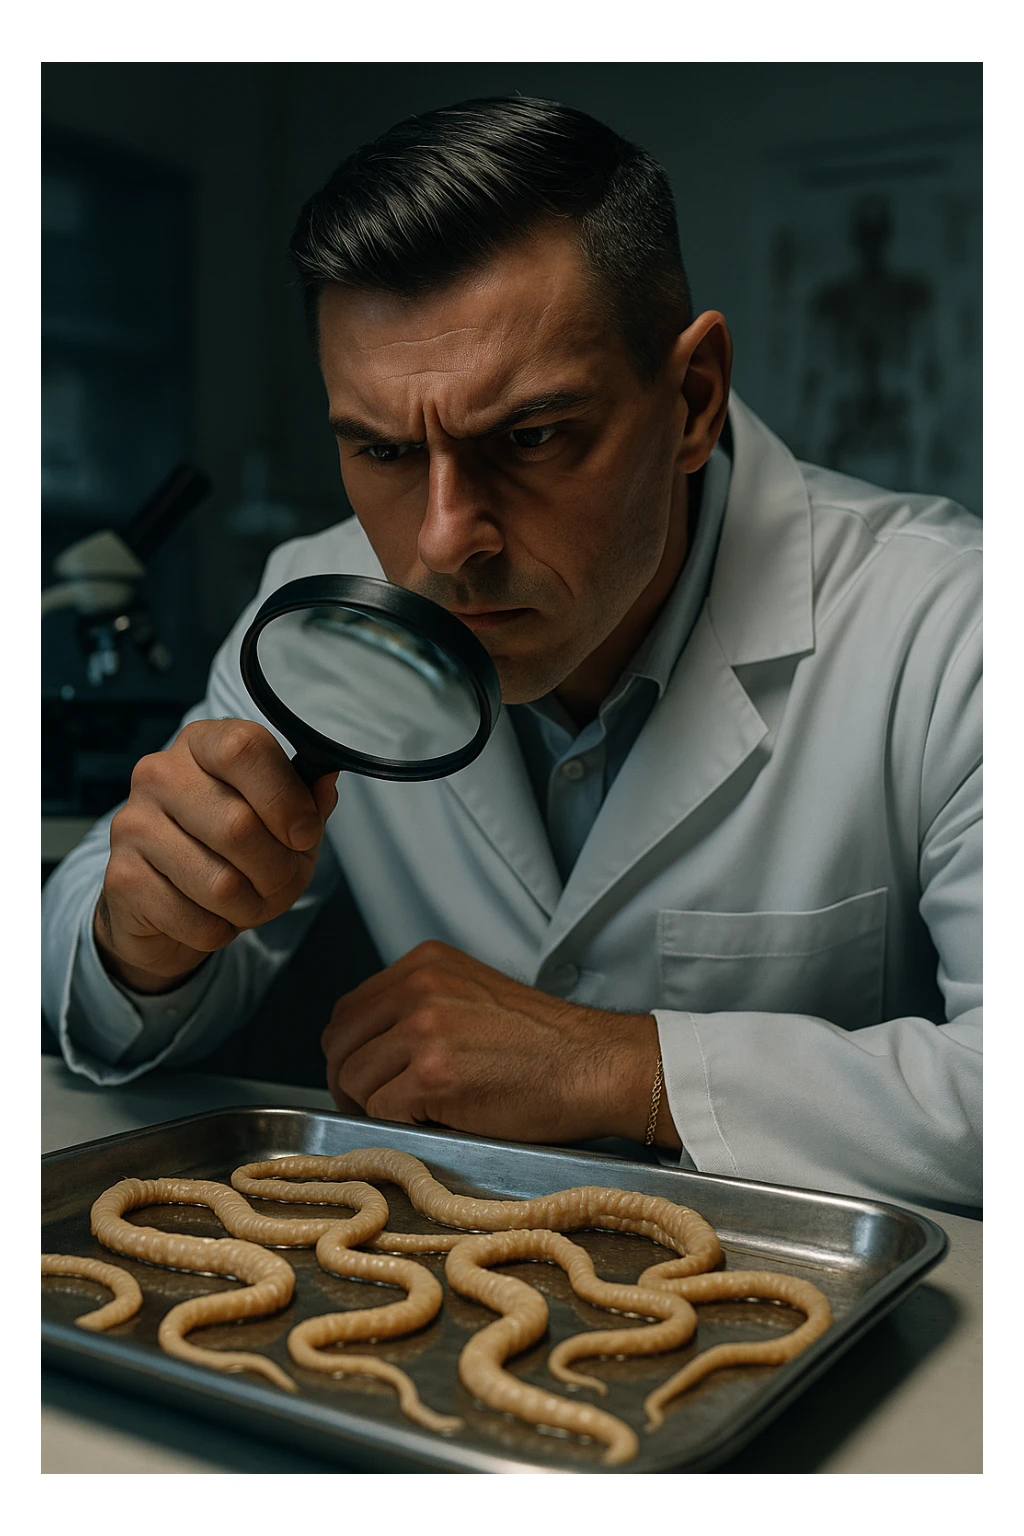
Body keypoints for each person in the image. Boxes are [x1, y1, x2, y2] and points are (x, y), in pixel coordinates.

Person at [41, 97, 981, 1212]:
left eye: (531, 437)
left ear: (691, 398)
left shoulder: (953, 624)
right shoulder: (315, 600)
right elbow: (82, 986)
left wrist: (620, 1069)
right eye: (385, 450)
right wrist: (143, 937)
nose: (444, 544)